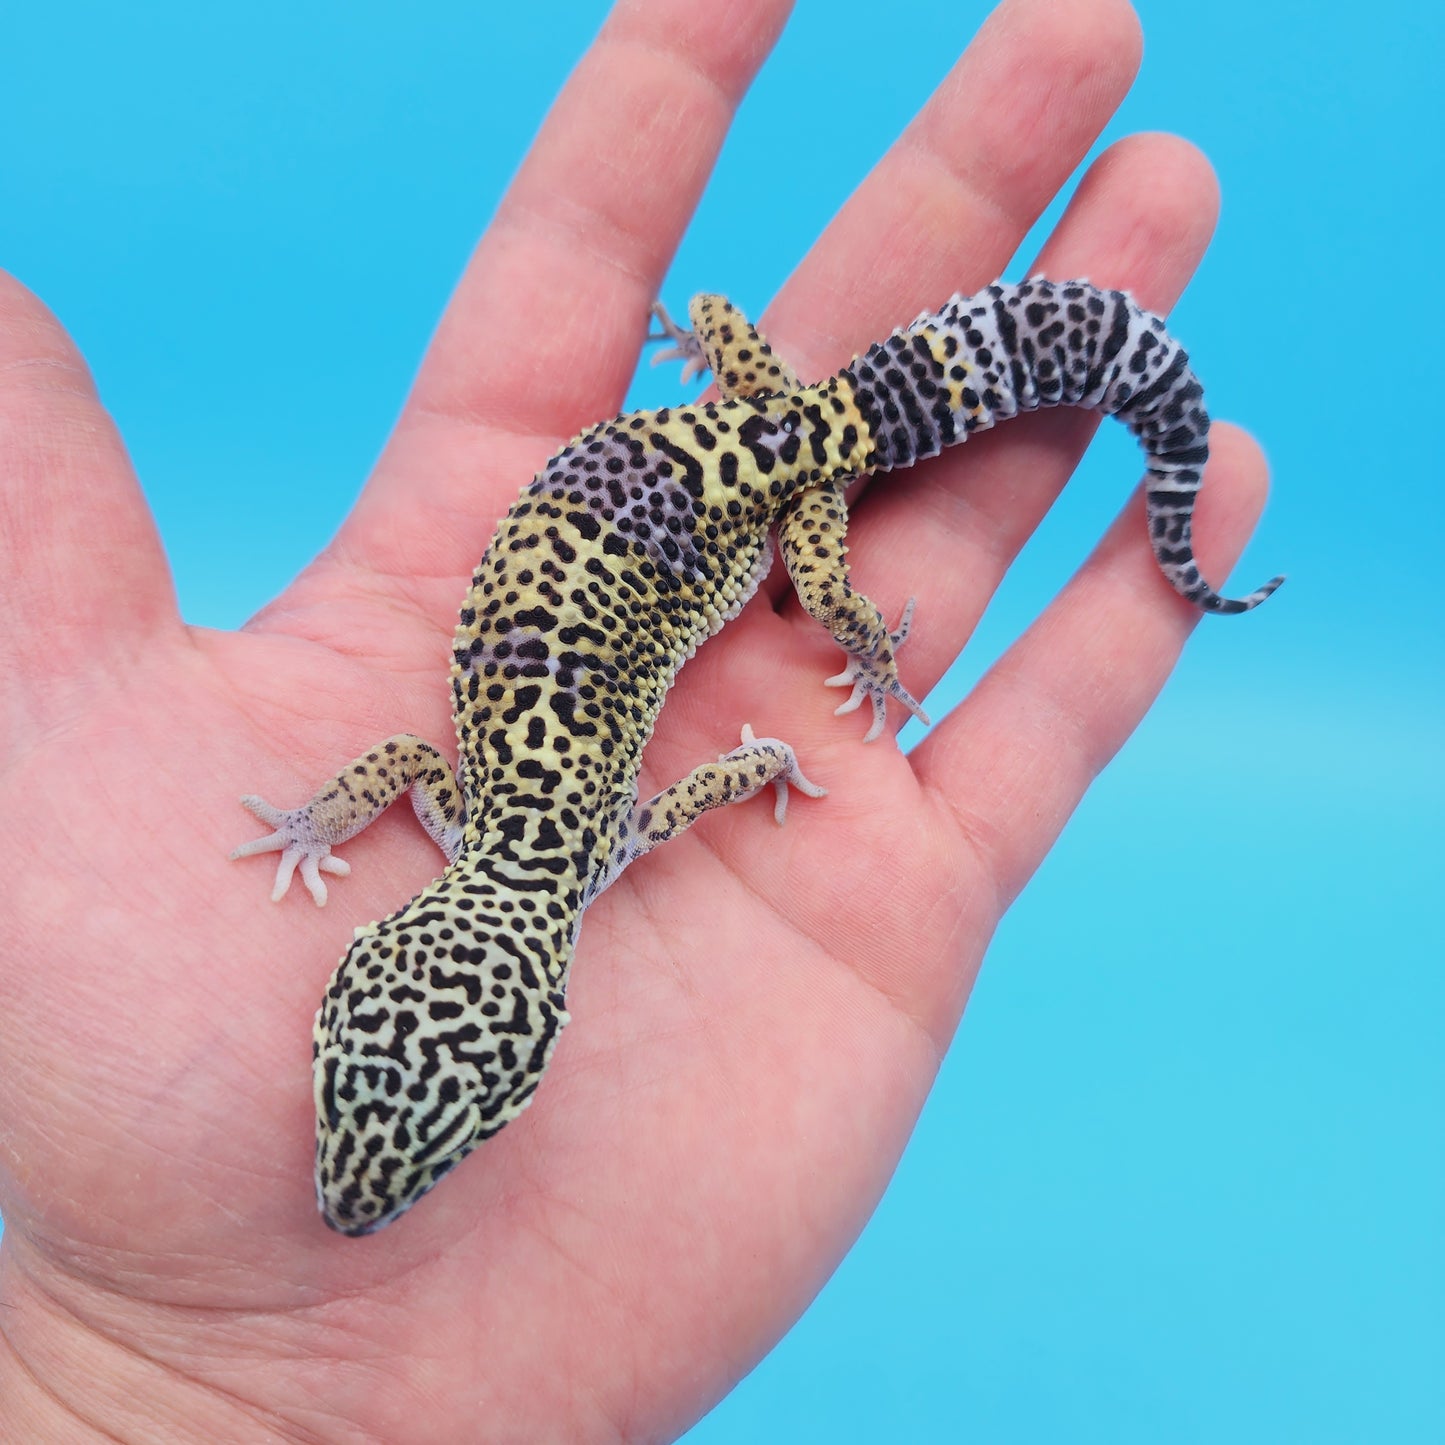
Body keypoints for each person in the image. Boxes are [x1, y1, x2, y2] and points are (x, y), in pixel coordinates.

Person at [0, 0, 1270, 1436]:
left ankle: (1133, 480)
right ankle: (1021, 432)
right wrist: (324, 814)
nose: (364, 1180)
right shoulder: (494, 832)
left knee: (835, 588)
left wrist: (812, 700)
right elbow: (434, 766)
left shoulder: (571, 848)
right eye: (423, 1135)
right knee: (830, 446)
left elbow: (654, 785)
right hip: (719, 443)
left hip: (764, 482)